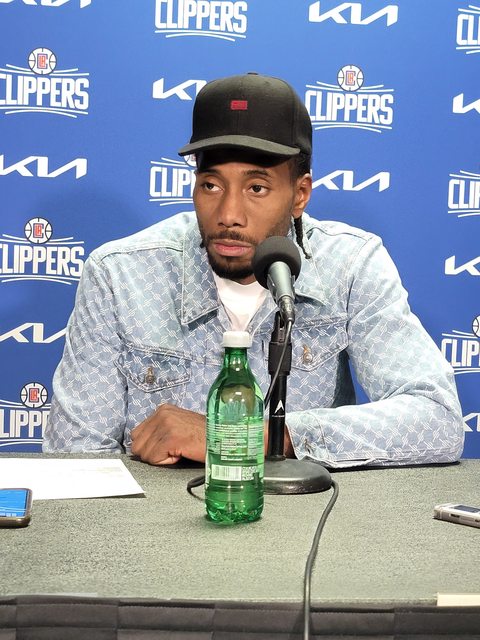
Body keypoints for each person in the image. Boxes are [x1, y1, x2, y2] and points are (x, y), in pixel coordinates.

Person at [43, 72, 464, 468]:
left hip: (304, 516)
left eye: (257, 188)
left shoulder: (351, 265)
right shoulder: (119, 275)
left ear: (300, 195)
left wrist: (262, 436)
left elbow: (437, 419)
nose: (229, 214)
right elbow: (74, 457)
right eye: (211, 185)